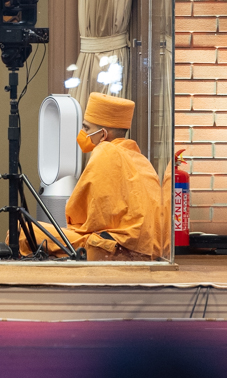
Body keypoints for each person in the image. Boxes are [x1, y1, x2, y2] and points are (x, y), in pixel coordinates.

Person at [25, 92, 169, 261]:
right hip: (147, 249)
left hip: (116, 248)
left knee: (24, 234)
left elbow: (93, 218)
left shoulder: (105, 151)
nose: (82, 133)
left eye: (86, 128)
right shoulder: (140, 159)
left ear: (103, 134)